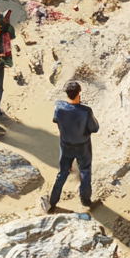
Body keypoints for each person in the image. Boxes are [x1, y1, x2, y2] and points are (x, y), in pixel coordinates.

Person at [45, 80, 99, 211]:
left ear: (66, 93)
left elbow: (55, 119)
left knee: (62, 172)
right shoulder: (86, 111)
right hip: (83, 146)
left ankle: (52, 201)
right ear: (79, 93)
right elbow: (95, 128)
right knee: (85, 171)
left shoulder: (58, 107)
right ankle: (86, 201)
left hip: (66, 146)